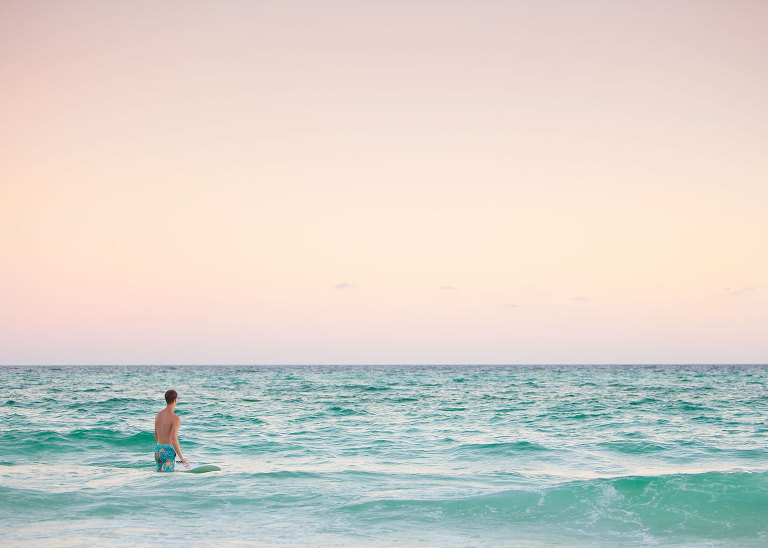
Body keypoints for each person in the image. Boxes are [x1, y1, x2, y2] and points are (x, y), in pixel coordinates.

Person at [154, 389, 190, 472]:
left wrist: (162, 447)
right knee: (167, 476)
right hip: (167, 451)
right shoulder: (175, 418)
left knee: (159, 475)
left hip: (158, 450)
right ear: (175, 400)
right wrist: (182, 458)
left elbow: (155, 435)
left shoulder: (158, 415)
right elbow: (174, 439)